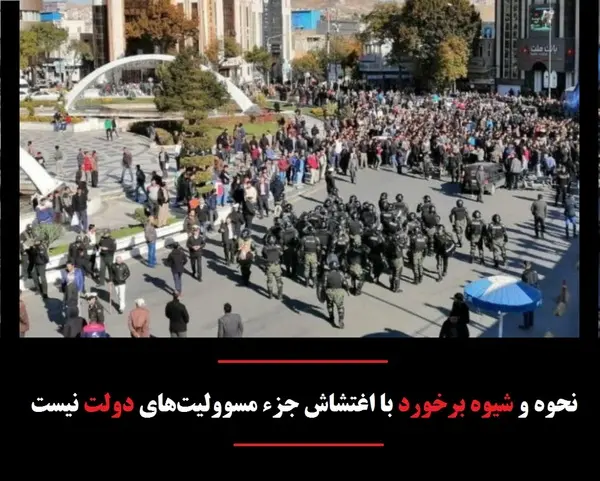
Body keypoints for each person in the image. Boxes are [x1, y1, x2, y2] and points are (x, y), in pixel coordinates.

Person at [324, 260, 348, 329]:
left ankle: (331, 319)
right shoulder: (340, 273)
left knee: (330, 305)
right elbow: (345, 283)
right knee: (340, 307)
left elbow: (324, 285)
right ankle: (341, 320)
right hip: (339, 292)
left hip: (330, 292)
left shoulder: (326, 274)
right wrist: (346, 288)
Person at [262, 234, 284, 299]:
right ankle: (280, 295)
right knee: (279, 281)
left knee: (269, 281)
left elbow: (264, 255)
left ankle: (270, 294)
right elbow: (281, 254)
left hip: (269, 266)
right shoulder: (278, 247)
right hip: (277, 266)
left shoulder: (265, 248)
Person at [520, 261, 539, 330]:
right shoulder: (535, 272)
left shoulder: (524, 274)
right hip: (534, 293)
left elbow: (524, 285)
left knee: (525, 310)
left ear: (525, 266)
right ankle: (531, 322)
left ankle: (526, 325)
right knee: (531, 309)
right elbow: (537, 282)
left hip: (527, 294)